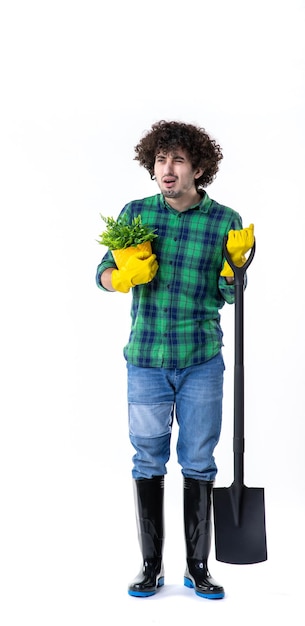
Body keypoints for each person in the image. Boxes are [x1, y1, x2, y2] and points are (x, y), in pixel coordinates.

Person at [95, 120, 254, 600]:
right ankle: (150, 566)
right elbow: (101, 273)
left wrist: (237, 269)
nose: (168, 168)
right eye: (161, 159)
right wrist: (120, 276)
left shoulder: (224, 219)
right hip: (145, 359)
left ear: (198, 168)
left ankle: (198, 567)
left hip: (201, 358)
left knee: (199, 460)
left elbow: (230, 294)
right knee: (147, 458)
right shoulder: (135, 215)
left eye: (179, 160)